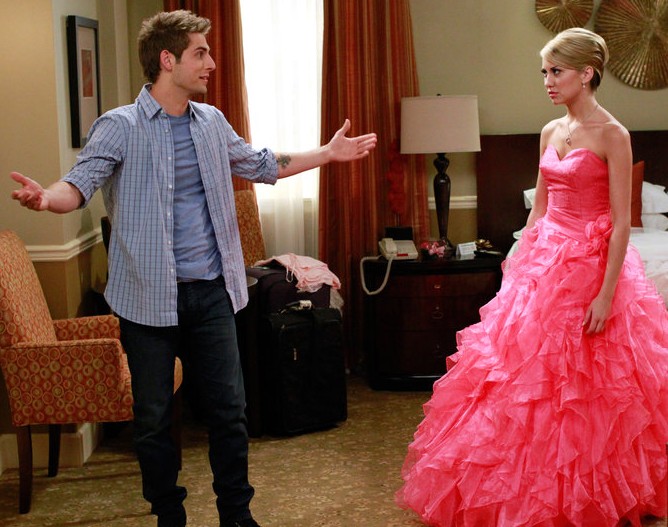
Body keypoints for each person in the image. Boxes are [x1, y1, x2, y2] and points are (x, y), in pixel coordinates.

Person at [10, 10, 376, 527]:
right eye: (200, 53)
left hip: (212, 294)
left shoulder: (211, 123)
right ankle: (169, 516)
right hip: (146, 300)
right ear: (167, 59)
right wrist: (48, 199)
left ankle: (236, 514)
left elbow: (262, 164)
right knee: (154, 420)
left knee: (230, 412)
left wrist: (328, 154)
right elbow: (79, 183)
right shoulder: (119, 126)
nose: (211, 63)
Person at [396, 27, 668, 527]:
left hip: (589, 266)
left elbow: (621, 222)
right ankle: (516, 489)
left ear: (586, 74)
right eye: (544, 71)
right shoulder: (549, 131)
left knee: (584, 385)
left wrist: (606, 293)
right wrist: (519, 264)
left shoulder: (613, 134)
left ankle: (585, 492)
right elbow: (539, 207)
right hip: (544, 263)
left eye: (556, 71)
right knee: (520, 380)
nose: (547, 80)